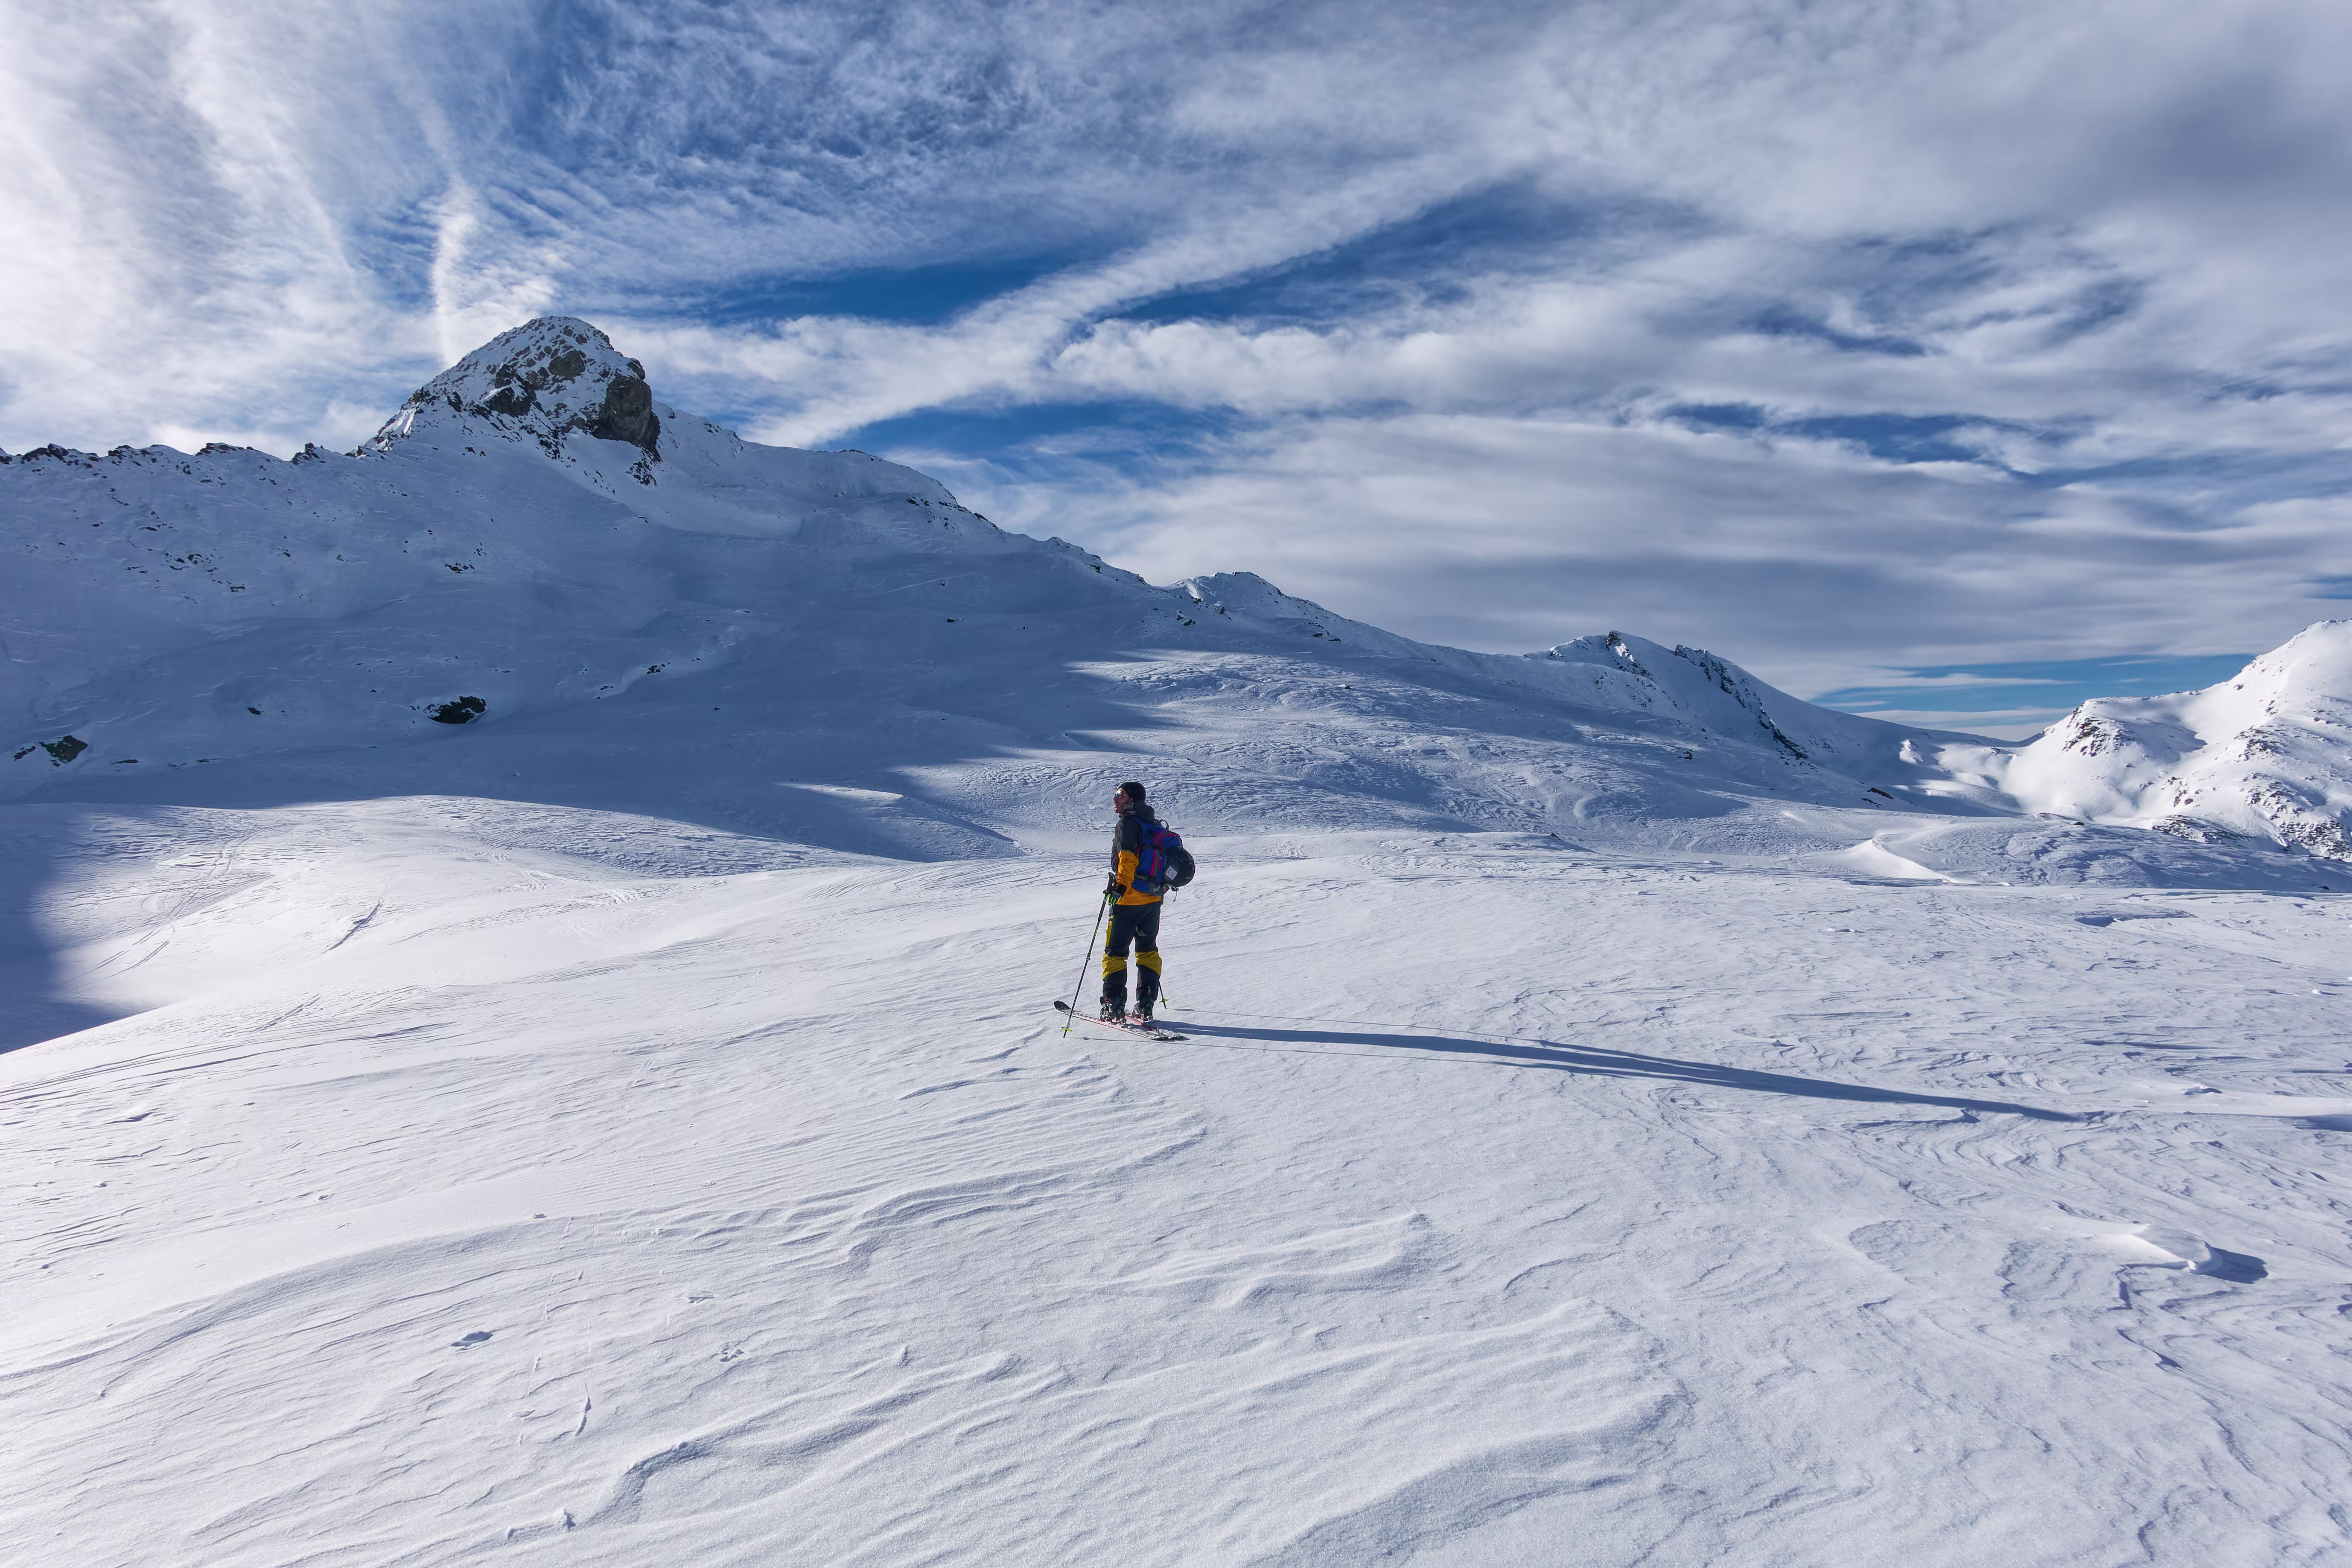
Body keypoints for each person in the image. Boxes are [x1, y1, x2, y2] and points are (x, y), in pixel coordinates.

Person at [1102, 781, 1166, 1023]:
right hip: (1153, 901)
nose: (1115, 799)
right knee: (1148, 950)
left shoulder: (1127, 823)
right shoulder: (1151, 823)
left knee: (1115, 953)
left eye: (1120, 795)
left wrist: (1120, 886)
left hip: (1128, 901)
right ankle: (1146, 1004)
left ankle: (1113, 1006)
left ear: (1132, 800)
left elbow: (1127, 858)